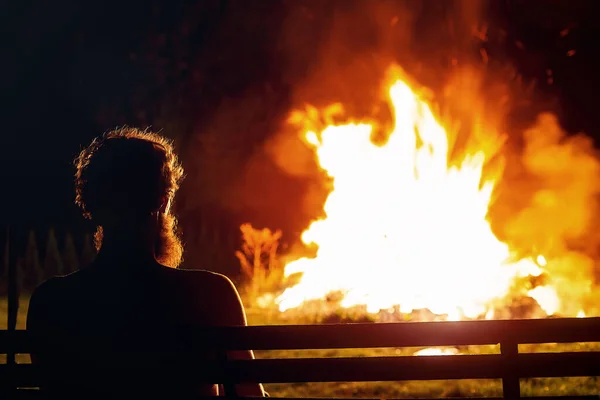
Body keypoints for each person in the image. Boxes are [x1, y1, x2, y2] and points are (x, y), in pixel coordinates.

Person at [26, 127, 267, 398]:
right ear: (162, 203)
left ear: (91, 205)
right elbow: (250, 395)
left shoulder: (50, 301)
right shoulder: (212, 293)